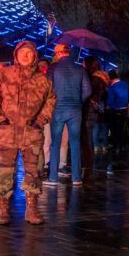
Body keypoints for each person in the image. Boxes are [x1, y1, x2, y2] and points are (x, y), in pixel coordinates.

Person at [0, 41, 56, 225]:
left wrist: (41, 120)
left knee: (34, 171)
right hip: (6, 133)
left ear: (35, 56)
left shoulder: (43, 80)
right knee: (3, 172)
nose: (25, 56)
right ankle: (3, 210)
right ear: (16, 55)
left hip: (31, 134)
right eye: (22, 52)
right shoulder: (3, 75)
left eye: (29, 53)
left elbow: (50, 101)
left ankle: (31, 209)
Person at [46, 44, 91, 187]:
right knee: (75, 143)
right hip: (75, 110)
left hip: (58, 109)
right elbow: (88, 90)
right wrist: (78, 100)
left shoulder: (53, 68)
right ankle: (76, 178)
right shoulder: (80, 69)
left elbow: (47, 88)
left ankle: (53, 178)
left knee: (55, 144)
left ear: (59, 53)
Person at [84, 58, 109, 159]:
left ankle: (90, 153)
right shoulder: (103, 78)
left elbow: (90, 93)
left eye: (84, 63)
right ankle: (98, 149)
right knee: (97, 129)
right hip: (99, 108)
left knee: (89, 132)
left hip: (91, 108)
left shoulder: (94, 78)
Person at [106, 70, 129, 153]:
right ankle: (122, 146)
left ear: (111, 78)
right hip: (124, 109)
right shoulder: (125, 84)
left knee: (115, 129)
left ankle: (116, 147)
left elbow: (110, 100)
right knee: (122, 129)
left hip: (115, 110)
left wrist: (108, 105)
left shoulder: (112, 87)